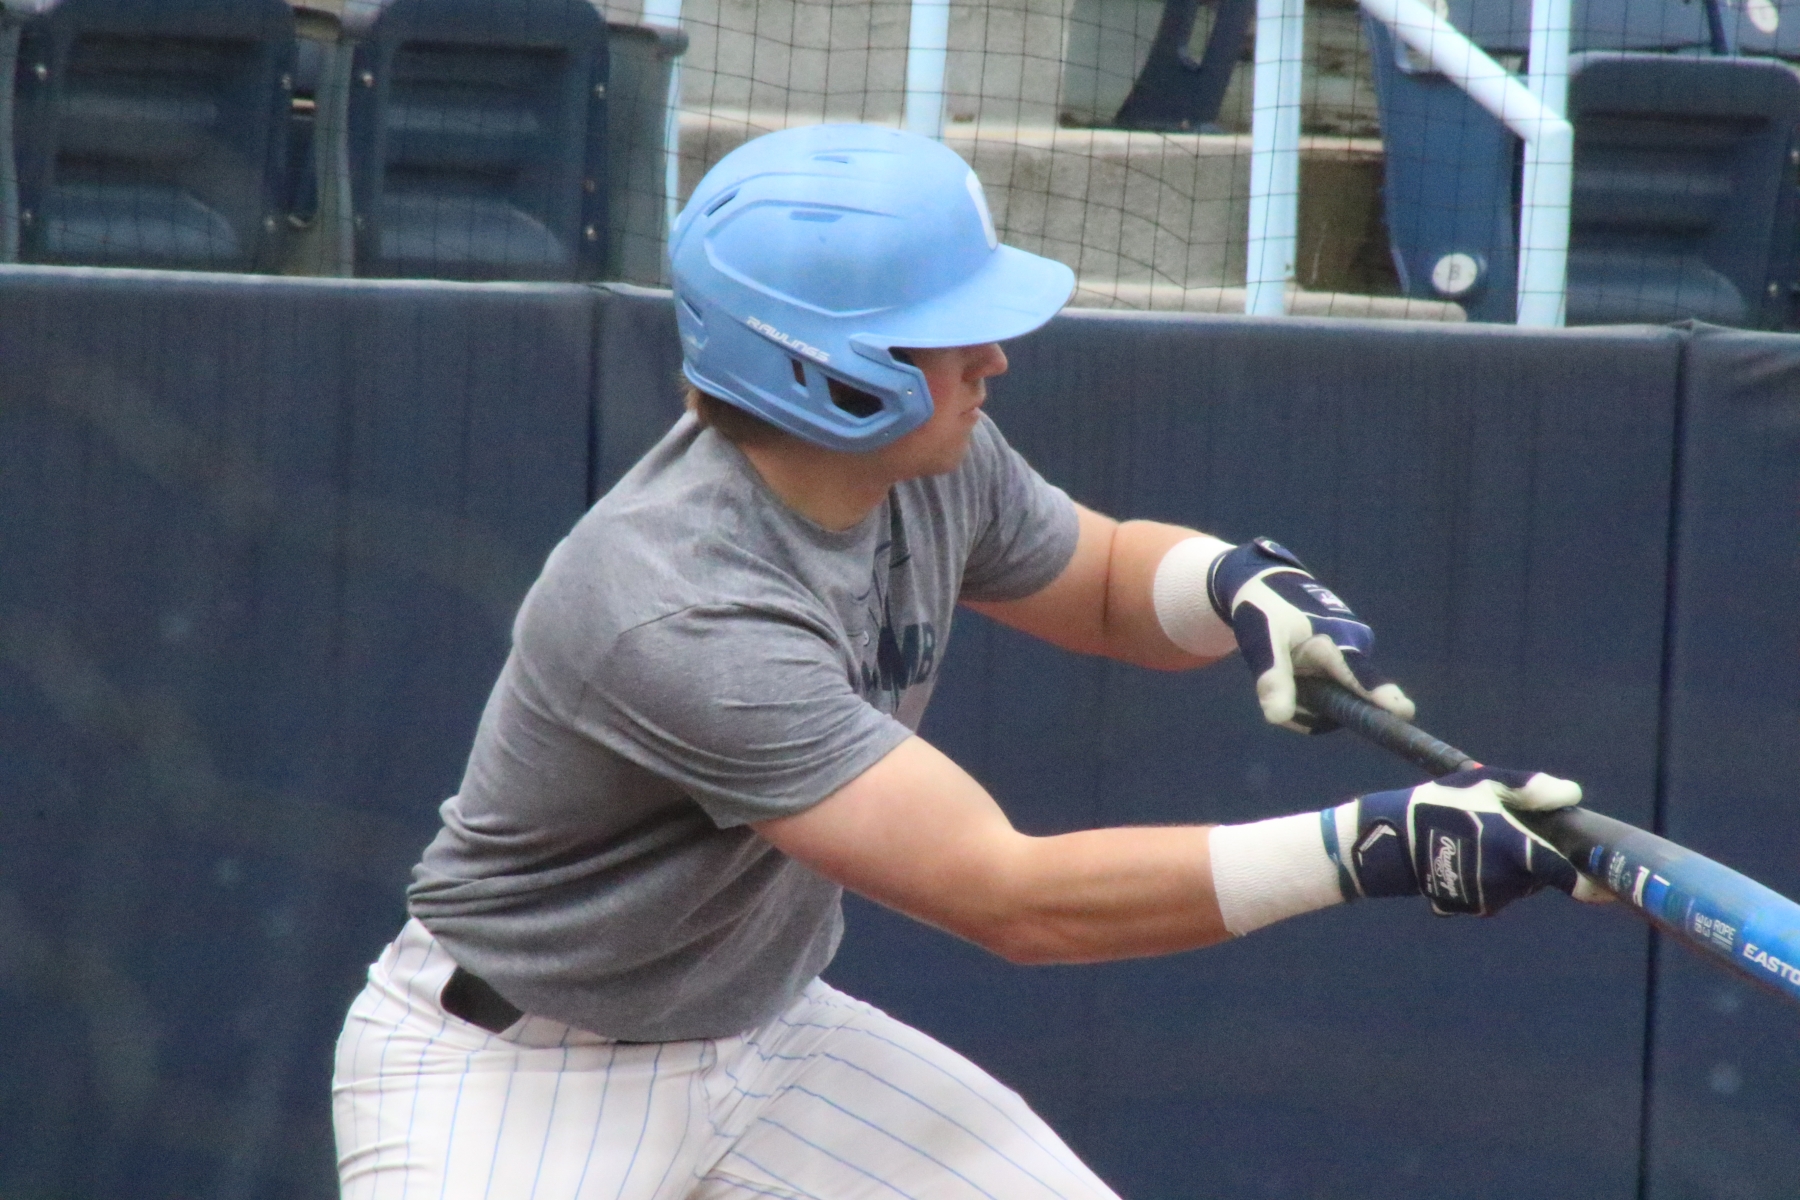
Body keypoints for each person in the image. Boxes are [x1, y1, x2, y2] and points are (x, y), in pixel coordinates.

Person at [330, 124, 1604, 1200]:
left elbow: (1103, 583)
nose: (993, 358)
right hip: (511, 1076)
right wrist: (1365, 848)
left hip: (762, 1039)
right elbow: (1016, 901)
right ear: (833, 376)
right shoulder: (677, 607)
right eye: (950, 331)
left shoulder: (924, 461)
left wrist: (1235, 585)